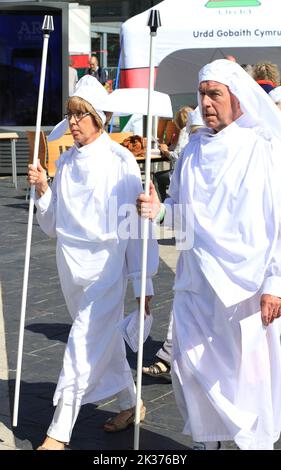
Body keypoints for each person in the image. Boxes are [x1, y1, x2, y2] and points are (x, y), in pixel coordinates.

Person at [137, 59, 281, 450]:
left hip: (246, 287)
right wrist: (159, 209)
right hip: (197, 280)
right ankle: (208, 439)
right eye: (202, 94)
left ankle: (253, 442)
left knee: (245, 376)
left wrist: (274, 282)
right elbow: (180, 214)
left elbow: (277, 219)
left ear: (237, 99)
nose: (207, 102)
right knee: (189, 365)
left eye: (215, 94)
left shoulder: (262, 147)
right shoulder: (194, 150)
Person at [28, 75, 158, 450]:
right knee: (102, 338)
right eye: (70, 114)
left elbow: (135, 228)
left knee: (83, 341)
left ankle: (58, 431)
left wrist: (143, 285)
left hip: (107, 268)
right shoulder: (65, 162)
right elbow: (53, 225)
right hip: (69, 265)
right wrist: (42, 190)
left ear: (99, 118)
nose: (73, 121)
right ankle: (131, 403)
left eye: (81, 115)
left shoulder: (120, 162)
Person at [142, 108, 204, 380]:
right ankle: (169, 352)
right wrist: (160, 210)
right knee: (184, 298)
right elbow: (176, 208)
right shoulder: (190, 157)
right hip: (194, 252)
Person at [154, 106, 194, 202]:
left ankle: (162, 206)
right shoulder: (195, 131)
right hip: (190, 171)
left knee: (157, 177)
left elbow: (177, 157)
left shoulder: (184, 131)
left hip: (180, 174)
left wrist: (166, 152)